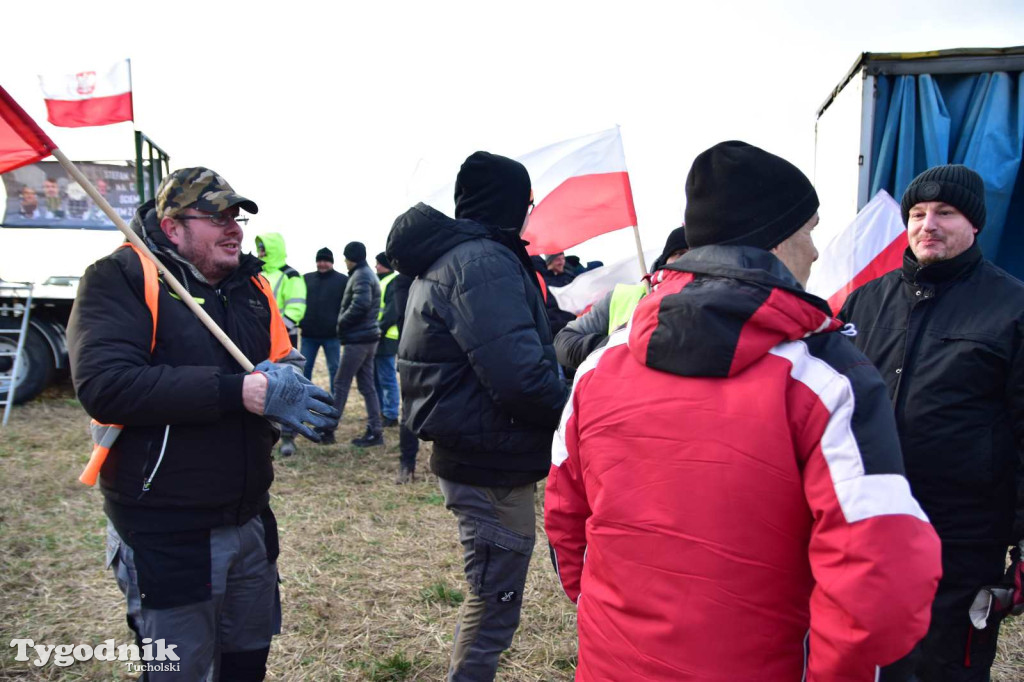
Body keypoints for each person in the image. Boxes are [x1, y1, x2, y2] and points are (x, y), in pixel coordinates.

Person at [544, 141, 943, 681]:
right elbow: (881, 572)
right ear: (774, 239)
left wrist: (613, 615)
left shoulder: (601, 366)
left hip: (614, 662)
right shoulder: (824, 377)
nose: (817, 251)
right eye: (810, 230)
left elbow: (567, 523)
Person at [66, 167, 338, 681]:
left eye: (236, 217)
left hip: (249, 518)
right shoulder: (120, 277)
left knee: (245, 663)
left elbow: (284, 359)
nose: (234, 228)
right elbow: (106, 385)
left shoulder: (253, 286)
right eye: (216, 218)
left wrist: (293, 392)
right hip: (165, 528)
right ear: (172, 228)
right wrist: (239, 390)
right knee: (181, 670)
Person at [387, 150, 568, 682]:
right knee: (493, 603)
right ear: (513, 204)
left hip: (487, 454)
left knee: (492, 598)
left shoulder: (467, 258)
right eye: (529, 203)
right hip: (489, 463)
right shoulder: (480, 262)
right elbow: (519, 377)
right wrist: (579, 413)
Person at [839, 164, 1024, 682]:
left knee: (947, 667)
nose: (928, 225)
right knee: (867, 661)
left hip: (963, 537)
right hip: (870, 527)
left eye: (946, 212)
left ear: (976, 225)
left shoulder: (1012, 308)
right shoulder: (864, 303)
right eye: (917, 213)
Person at [554, 225, 688, 371]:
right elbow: (563, 342)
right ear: (663, 261)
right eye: (680, 253)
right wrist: (616, 345)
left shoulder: (715, 300)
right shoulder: (623, 296)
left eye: (695, 253)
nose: (690, 260)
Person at [330, 241, 384, 447]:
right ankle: (376, 431)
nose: (344, 262)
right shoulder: (367, 273)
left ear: (350, 258)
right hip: (368, 338)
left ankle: (328, 428)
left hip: (359, 339)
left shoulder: (361, 275)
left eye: (345, 258)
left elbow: (361, 304)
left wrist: (342, 321)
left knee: (341, 383)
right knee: (367, 386)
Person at [300, 247, 347, 413]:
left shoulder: (343, 280)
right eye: (319, 260)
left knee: (335, 370)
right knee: (305, 370)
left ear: (332, 262)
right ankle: (305, 401)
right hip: (308, 335)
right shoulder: (305, 279)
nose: (322, 264)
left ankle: (336, 404)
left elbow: (347, 306)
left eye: (326, 260)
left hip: (332, 336)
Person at [254, 232, 306, 347]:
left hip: (285, 335)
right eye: (259, 249)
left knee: (283, 365)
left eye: (263, 249)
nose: (260, 253)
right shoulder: (257, 273)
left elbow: (296, 308)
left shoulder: (291, 275)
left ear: (272, 250)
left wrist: (280, 330)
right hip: (260, 333)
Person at [373, 252, 401, 428]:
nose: (375, 266)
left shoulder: (393, 281)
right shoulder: (380, 281)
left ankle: (391, 415)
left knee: (387, 378)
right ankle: (383, 411)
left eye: (378, 263)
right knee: (377, 378)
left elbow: (392, 311)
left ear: (385, 264)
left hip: (386, 337)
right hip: (377, 336)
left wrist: (378, 330)